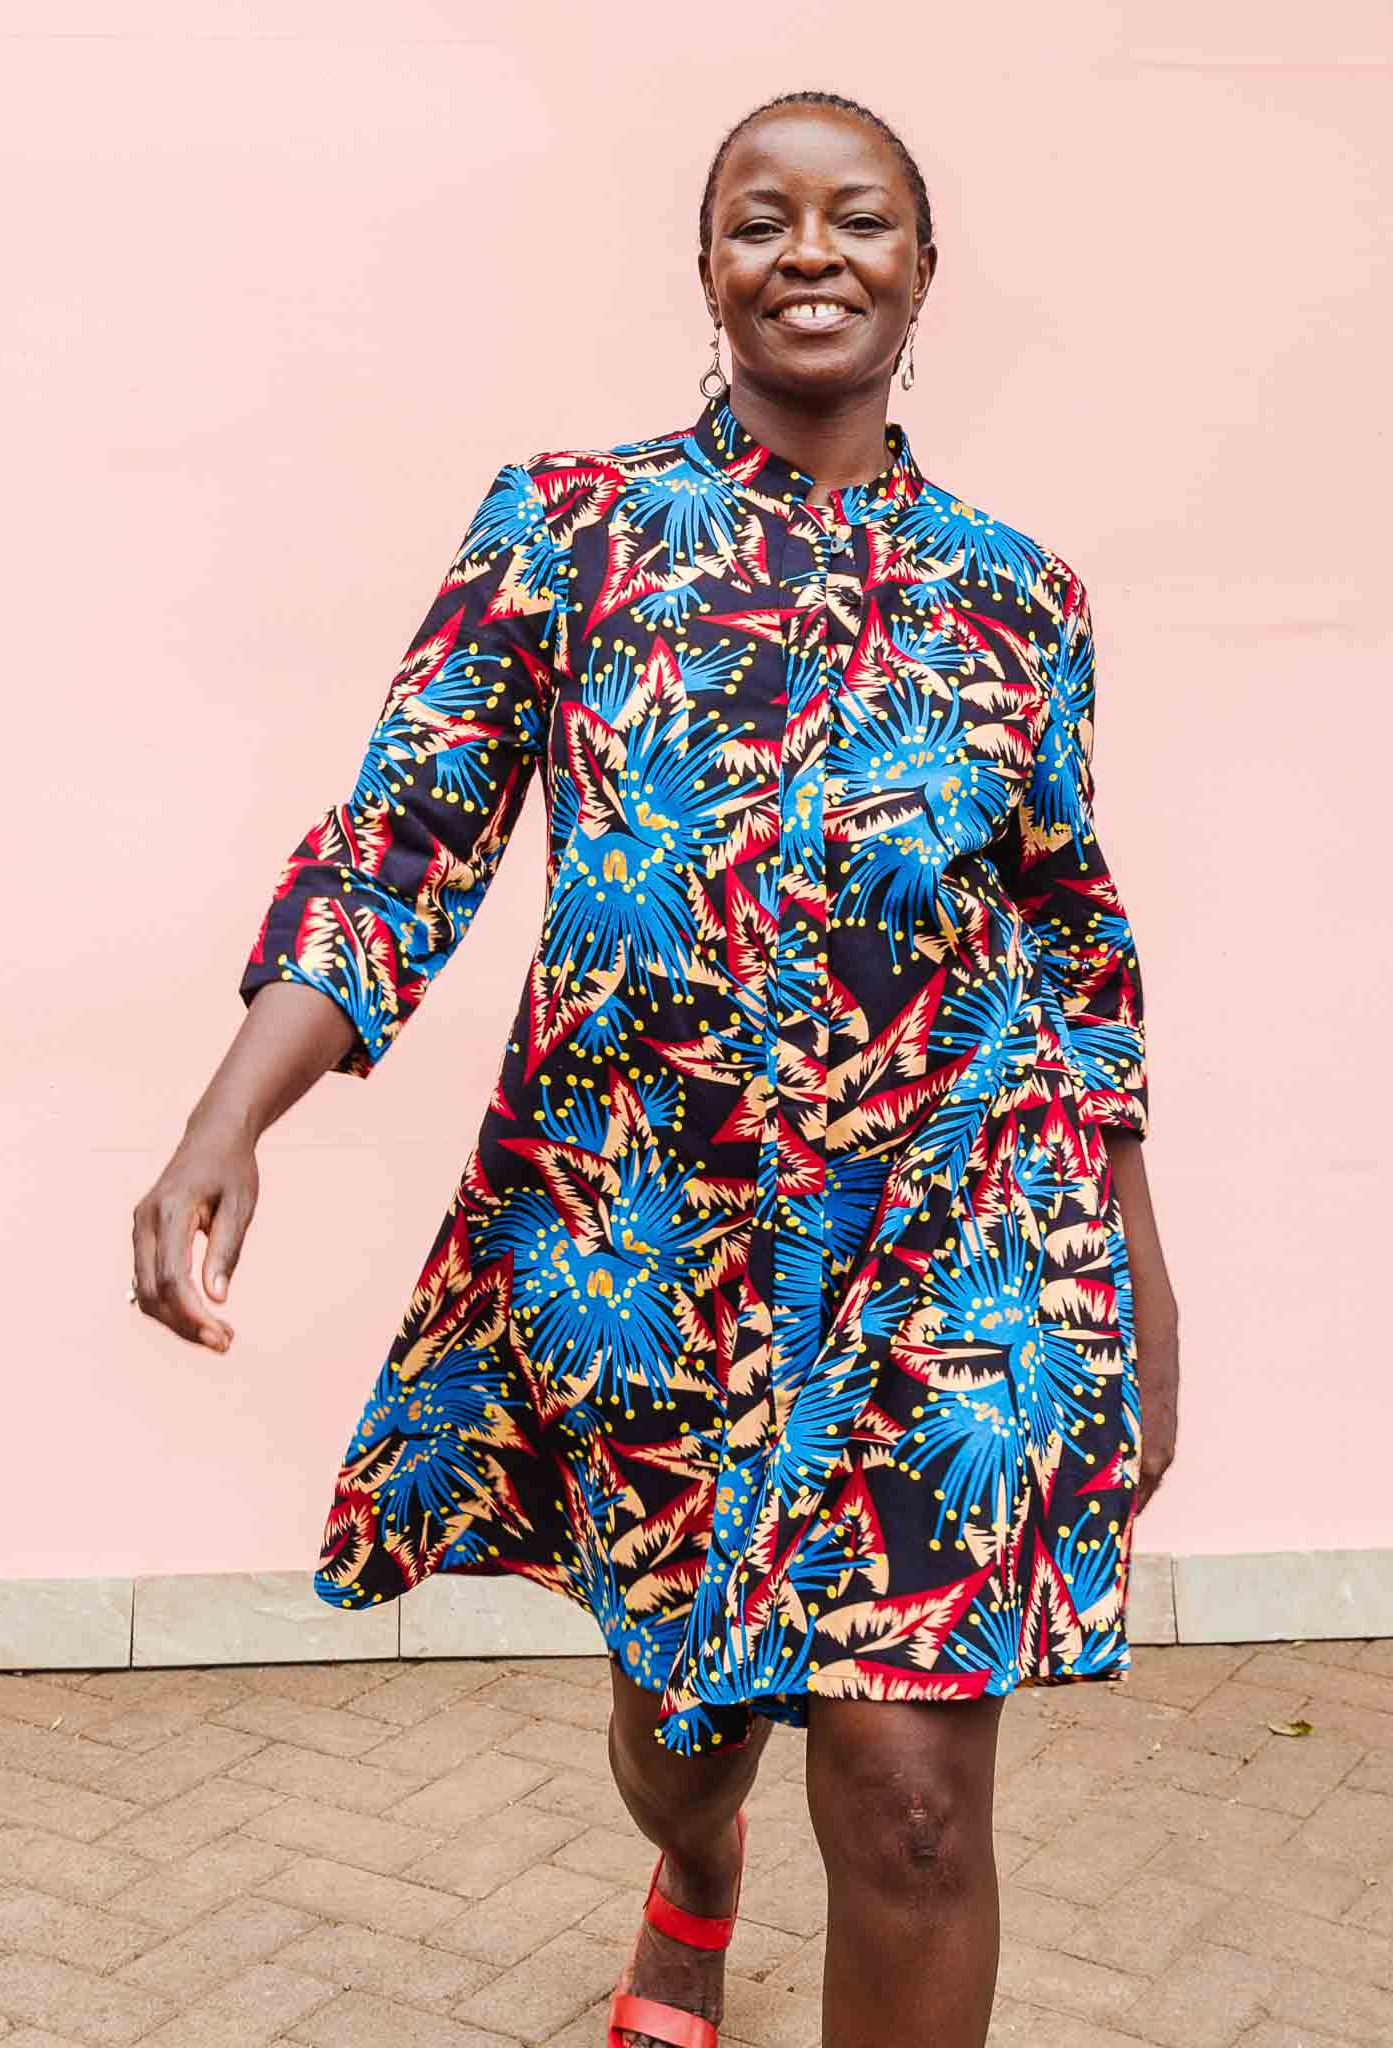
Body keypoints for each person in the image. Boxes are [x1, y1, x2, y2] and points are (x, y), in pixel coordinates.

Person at [130, 87, 1181, 2048]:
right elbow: (408, 828)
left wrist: (1134, 1269)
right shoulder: (571, 526)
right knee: (681, 1727)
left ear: (924, 272)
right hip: (642, 1237)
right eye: (759, 218)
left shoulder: (1022, 600)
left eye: (857, 218)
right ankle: (692, 1875)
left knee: (916, 1807)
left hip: (949, 1249)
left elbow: (1071, 946)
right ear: (704, 271)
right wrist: (227, 1119)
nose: (810, 252)